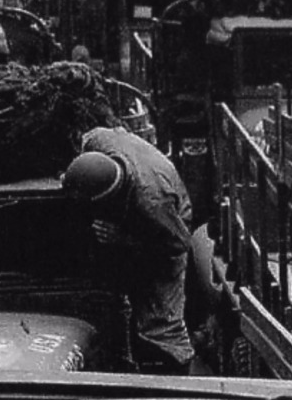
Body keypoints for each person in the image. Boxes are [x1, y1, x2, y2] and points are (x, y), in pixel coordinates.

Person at [62, 126, 194, 374]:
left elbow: (178, 245)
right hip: (132, 211)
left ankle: (179, 380)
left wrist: (124, 238)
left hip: (167, 230)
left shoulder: (153, 201)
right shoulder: (99, 142)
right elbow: (86, 138)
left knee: (161, 324)